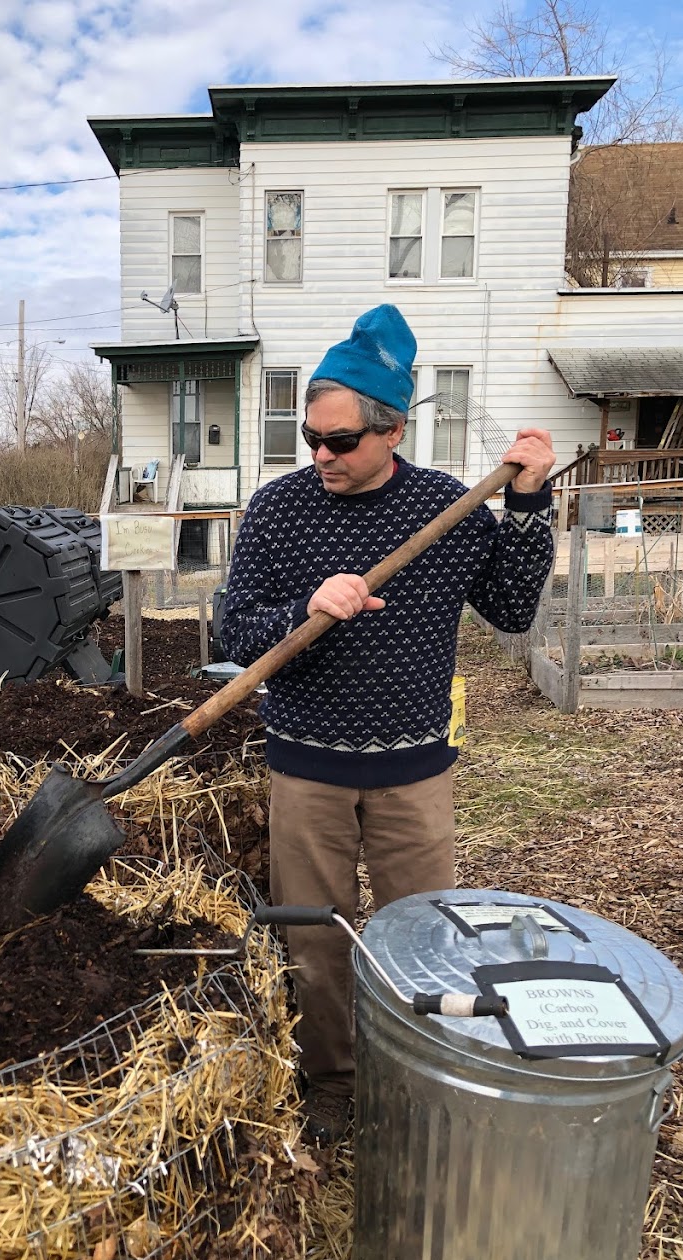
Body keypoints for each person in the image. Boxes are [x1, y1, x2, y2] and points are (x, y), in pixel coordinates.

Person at [220, 304, 556, 1145]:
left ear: (392, 430)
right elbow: (233, 631)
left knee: (422, 936)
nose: (321, 456)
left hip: (415, 772)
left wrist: (526, 503)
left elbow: (512, 607)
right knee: (317, 941)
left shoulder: (446, 511)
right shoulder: (278, 511)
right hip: (307, 768)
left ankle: (420, 1077)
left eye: (340, 442)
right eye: (311, 439)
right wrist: (306, 606)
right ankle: (331, 1082)